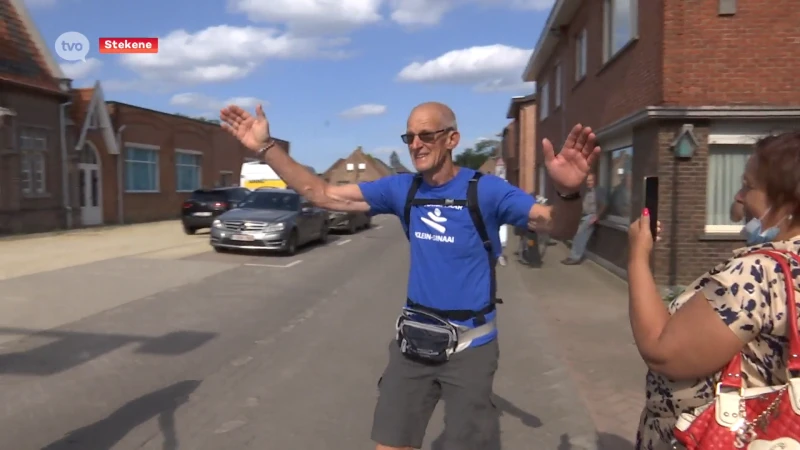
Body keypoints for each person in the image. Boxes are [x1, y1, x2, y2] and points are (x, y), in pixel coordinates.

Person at [219, 101, 600, 450]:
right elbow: (322, 194)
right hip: (413, 342)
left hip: (471, 347)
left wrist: (568, 194)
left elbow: (557, 227)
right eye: (410, 137)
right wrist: (266, 147)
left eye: (426, 135)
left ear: (452, 139)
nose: (415, 144)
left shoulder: (485, 190)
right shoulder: (403, 188)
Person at [626, 131, 800, 449]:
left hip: (709, 436)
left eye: (749, 186)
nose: (739, 197)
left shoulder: (760, 273)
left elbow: (662, 352)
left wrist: (638, 257)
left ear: (786, 204)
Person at [562, 173, 604, 265]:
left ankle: (574, 258)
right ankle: (576, 254)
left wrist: (597, 216)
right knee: (578, 234)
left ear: (595, 181)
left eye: (591, 180)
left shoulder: (598, 191)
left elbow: (604, 205)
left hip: (591, 216)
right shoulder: (586, 191)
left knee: (579, 234)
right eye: (588, 181)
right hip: (583, 216)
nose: (589, 182)